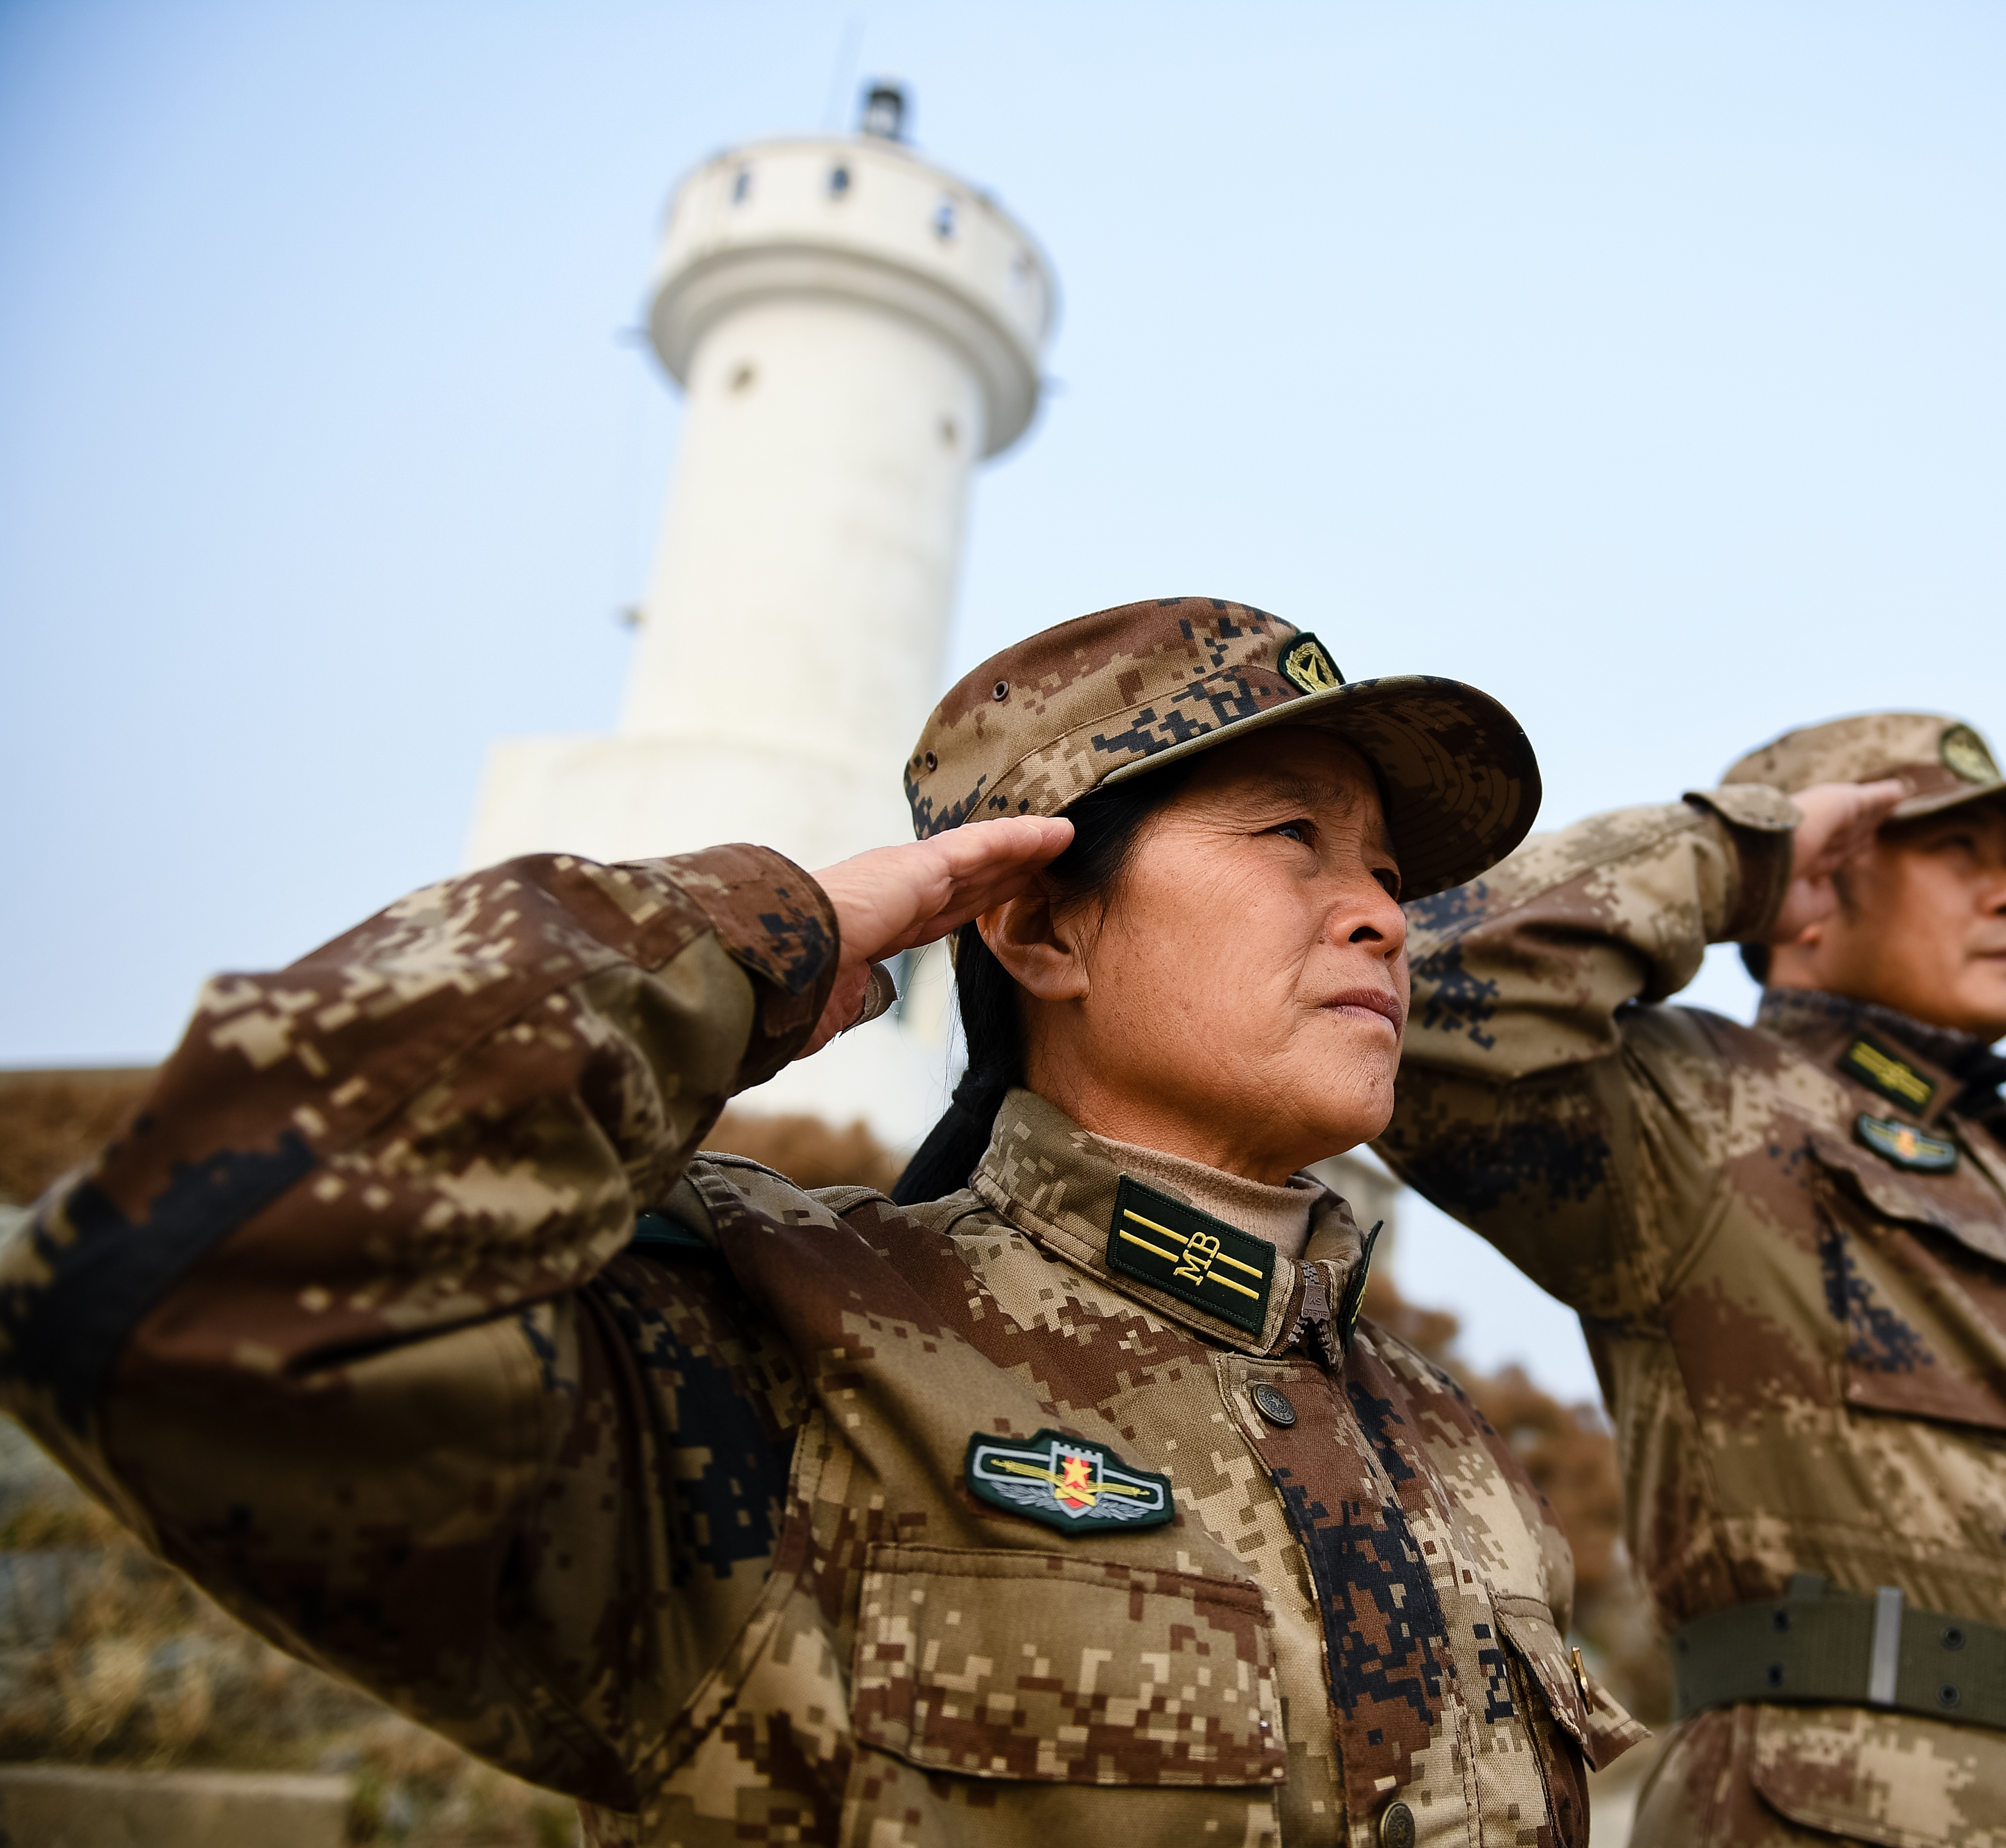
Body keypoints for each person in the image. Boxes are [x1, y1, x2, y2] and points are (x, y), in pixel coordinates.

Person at [0, 598, 1645, 1847]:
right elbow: (177, 1295)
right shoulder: (777, 1333)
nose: (1380, 913)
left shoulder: (1444, 1450)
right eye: (1294, 837)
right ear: (1035, 926)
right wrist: (768, 932)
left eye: (1387, 871)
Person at [1382, 712, 2006, 1847]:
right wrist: (1734, 854)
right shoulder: (1707, 1112)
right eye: (1959, 854)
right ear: (1816, 880)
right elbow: (1428, 983)